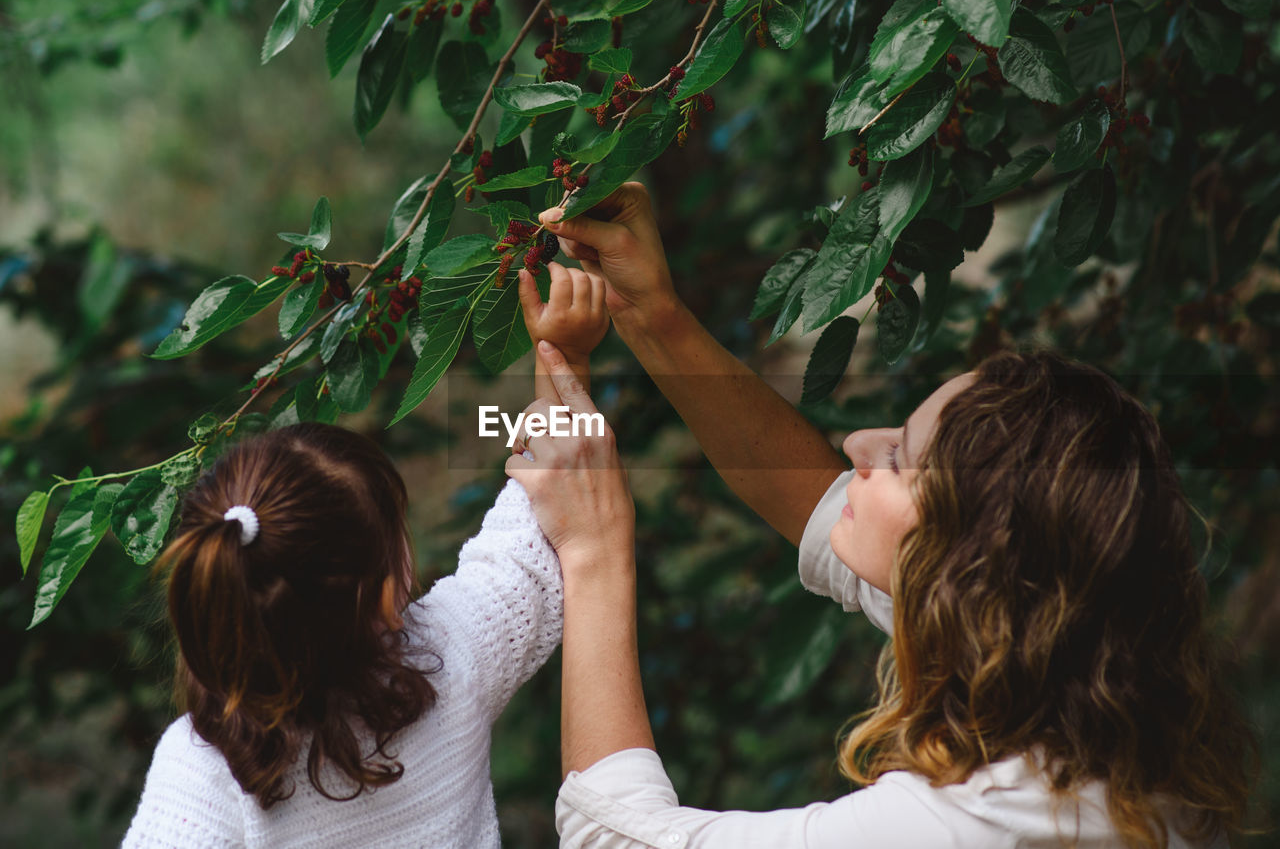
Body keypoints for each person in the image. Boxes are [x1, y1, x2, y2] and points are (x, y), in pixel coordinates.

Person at [506, 185, 1256, 848]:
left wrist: (597, 549)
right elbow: (820, 504)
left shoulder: (971, 823)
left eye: (898, 457)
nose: (857, 442)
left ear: (973, 559)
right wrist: (653, 316)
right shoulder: (1098, 722)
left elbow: (617, 838)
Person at [122, 262, 610, 848]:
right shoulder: (449, 659)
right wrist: (566, 358)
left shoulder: (204, 770)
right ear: (384, 592)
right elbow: (536, 536)